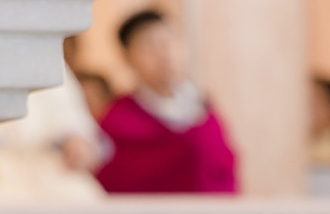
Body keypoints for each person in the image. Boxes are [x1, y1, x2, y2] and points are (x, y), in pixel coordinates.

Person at [94, 11, 238, 194]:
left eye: (169, 40)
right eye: (149, 45)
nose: (164, 53)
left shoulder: (203, 108)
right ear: (127, 57)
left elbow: (225, 169)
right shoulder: (117, 120)